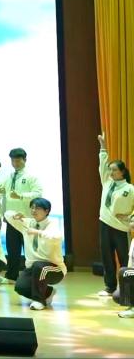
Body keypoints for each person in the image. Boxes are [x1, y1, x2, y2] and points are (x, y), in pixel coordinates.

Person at [5, 198, 66, 310]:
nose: (33, 210)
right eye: (32, 208)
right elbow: (7, 214)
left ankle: (39, 301)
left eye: (37, 208)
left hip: (55, 269)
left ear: (46, 211)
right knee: (20, 287)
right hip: (34, 268)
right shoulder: (28, 223)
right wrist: (15, 215)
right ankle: (49, 292)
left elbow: (57, 237)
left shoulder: (51, 224)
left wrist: (38, 232)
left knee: (39, 266)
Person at [96, 133, 134, 297]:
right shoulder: (107, 182)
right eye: (110, 170)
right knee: (107, 257)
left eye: (114, 170)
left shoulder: (130, 189)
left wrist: (130, 219)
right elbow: (102, 163)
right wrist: (103, 147)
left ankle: (127, 289)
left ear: (122, 172)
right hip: (104, 224)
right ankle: (110, 287)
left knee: (125, 259)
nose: (111, 172)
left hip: (121, 228)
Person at [1, 148, 43, 284]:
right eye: (13, 160)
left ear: (25, 160)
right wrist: (4, 214)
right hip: (11, 220)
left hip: (27, 220)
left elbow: (38, 194)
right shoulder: (8, 177)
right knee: (12, 249)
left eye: (18, 160)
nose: (15, 163)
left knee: (29, 250)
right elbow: (5, 197)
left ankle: (32, 277)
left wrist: (21, 196)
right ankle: (11, 276)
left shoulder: (31, 176)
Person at [117, 216, 134, 319]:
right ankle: (130, 305)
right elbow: (130, 265)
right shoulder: (133, 242)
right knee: (117, 296)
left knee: (124, 272)